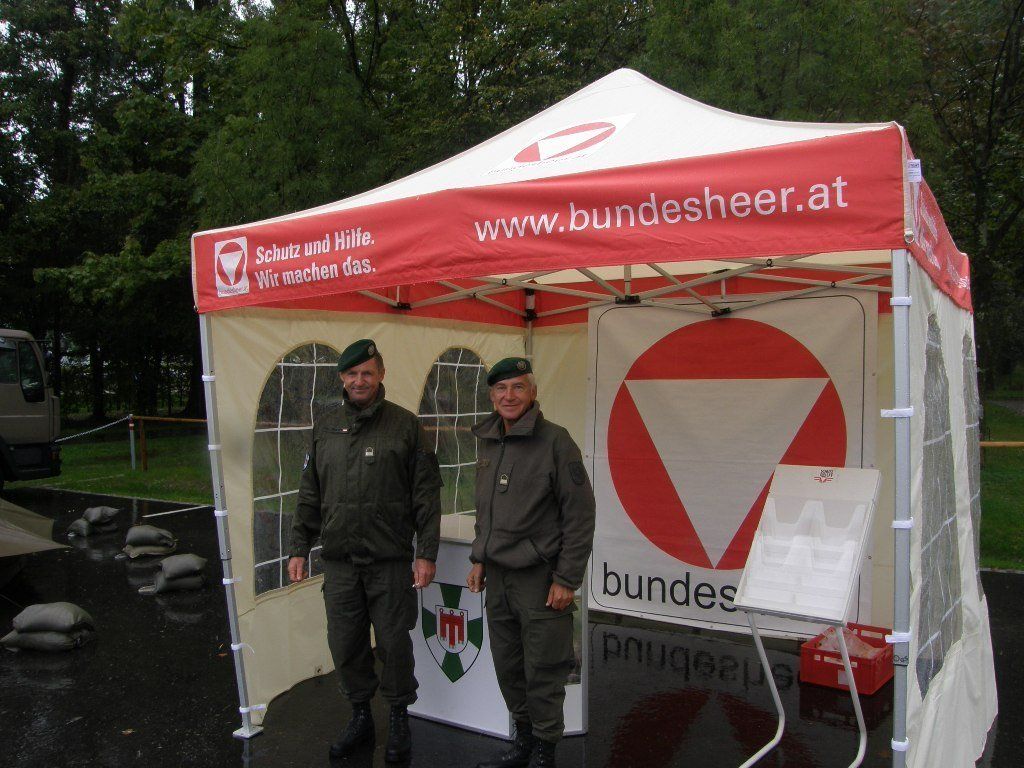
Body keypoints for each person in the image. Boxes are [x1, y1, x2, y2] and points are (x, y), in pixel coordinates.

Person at [288, 338, 442, 762]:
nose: (360, 381)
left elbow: (426, 496)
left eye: (368, 373)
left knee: (394, 644)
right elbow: (309, 492)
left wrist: (426, 553)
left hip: (388, 562)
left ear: (381, 375)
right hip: (340, 563)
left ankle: (398, 717)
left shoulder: (406, 427)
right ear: (342, 378)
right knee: (345, 644)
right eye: (353, 374)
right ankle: (360, 717)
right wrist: (299, 546)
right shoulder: (325, 427)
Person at [466, 357, 596, 768]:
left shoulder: (556, 441)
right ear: (492, 396)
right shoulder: (489, 440)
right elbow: (486, 510)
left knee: (543, 668)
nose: (509, 396)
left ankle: (544, 751)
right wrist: (479, 558)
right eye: (501, 389)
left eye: (518, 387)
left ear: (533, 392)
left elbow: (579, 516)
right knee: (508, 665)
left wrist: (567, 579)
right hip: (498, 578)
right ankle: (522, 742)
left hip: (539, 579)